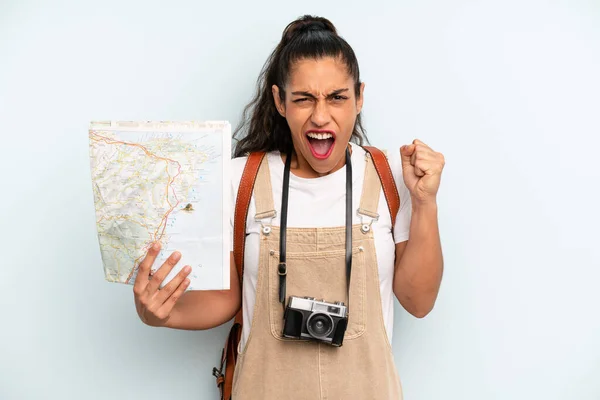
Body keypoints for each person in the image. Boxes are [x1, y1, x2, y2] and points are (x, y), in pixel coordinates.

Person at [132, 15, 445, 400]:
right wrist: (161, 315)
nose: (320, 116)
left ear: (359, 97)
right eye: (303, 99)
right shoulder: (238, 180)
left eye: (337, 97)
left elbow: (419, 301)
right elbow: (227, 300)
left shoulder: (390, 177)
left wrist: (425, 202)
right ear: (280, 100)